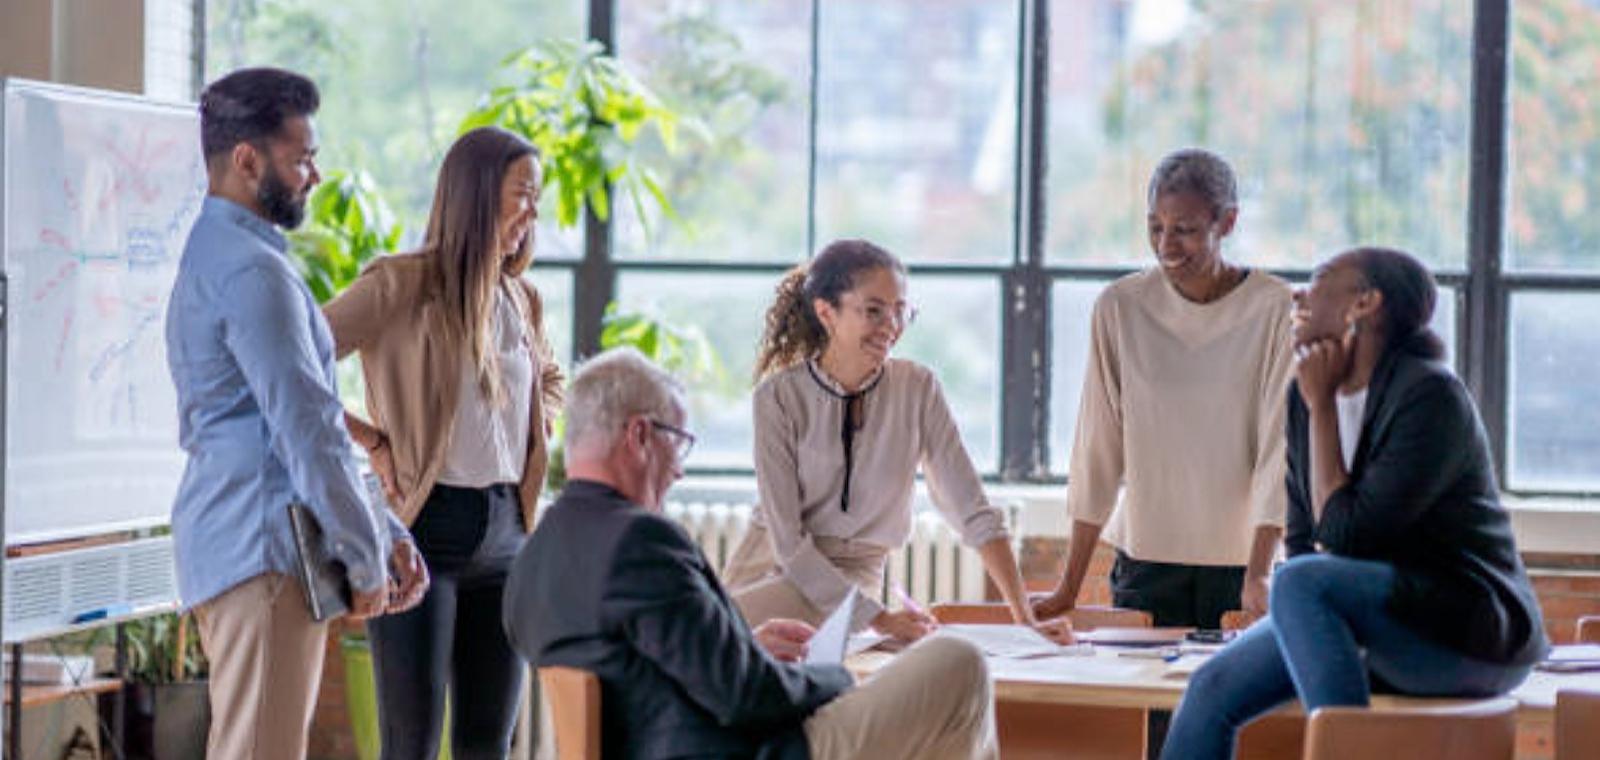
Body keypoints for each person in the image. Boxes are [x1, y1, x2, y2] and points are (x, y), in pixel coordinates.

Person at [503, 348, 999, 760]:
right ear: (639, 436)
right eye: (679, 442)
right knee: (959, 662)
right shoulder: (642, 543)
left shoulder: (532, 558)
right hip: (748, 749)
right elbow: (745, 696)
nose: (679, 470)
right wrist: (839, 675)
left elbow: (640, 674)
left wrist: (742, 647)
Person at [1160, 247, 1548, 759]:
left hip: (1467, 636)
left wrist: (1323, 407)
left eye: (1320, 280)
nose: (1298, 294)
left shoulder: (1430, 396)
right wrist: (1315, 404)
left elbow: (1347, 537)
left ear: (1364, 303)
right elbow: (1303, 538)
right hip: (1370, 621)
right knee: (1210, 688)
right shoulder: (1301, 397)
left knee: (1299, 581)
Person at [166, 67, 428, 760]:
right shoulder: (253, 273)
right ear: (247, 160)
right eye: (301, 158)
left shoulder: (226, 253)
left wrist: (382, 530)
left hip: (247, 542)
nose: (314, 175)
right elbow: (308, 432)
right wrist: (367, 561)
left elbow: (310, 421)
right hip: (263, 551)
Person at [322, 126, 564, 759]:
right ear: (476, 193)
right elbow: (295, 360)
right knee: (412, 743)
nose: (532, 214)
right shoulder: (400, 283)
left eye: (537, 199)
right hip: (423, 531)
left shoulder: (522, 298)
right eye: (523, 194)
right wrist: (372, 441)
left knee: (489, 742)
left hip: (507, 533)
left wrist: (538, 427)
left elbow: (550, 377)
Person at [720, 239, 1071, 643]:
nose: (891, 325)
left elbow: (972, 510)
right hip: (773, 571)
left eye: (900, 311)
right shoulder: (777, 397)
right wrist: (883, 620)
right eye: (873, 310)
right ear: (826, 313)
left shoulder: (918, 388)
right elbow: (789, 545)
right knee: (698, 645)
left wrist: (1026, 621)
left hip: (856, 583)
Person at [1033, 148, 1294, 630]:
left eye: (1185, 230)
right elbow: (1098, 450)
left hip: (1243, 567)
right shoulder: (1120, 307)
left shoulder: (1276, 308)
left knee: (1235, 685)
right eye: (1155, 227)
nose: (1167, 245)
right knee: (1142, 684)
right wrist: (1069, 587)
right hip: (1146, 565)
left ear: (1227, 222)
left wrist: (1259, 572)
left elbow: (1280, 452)